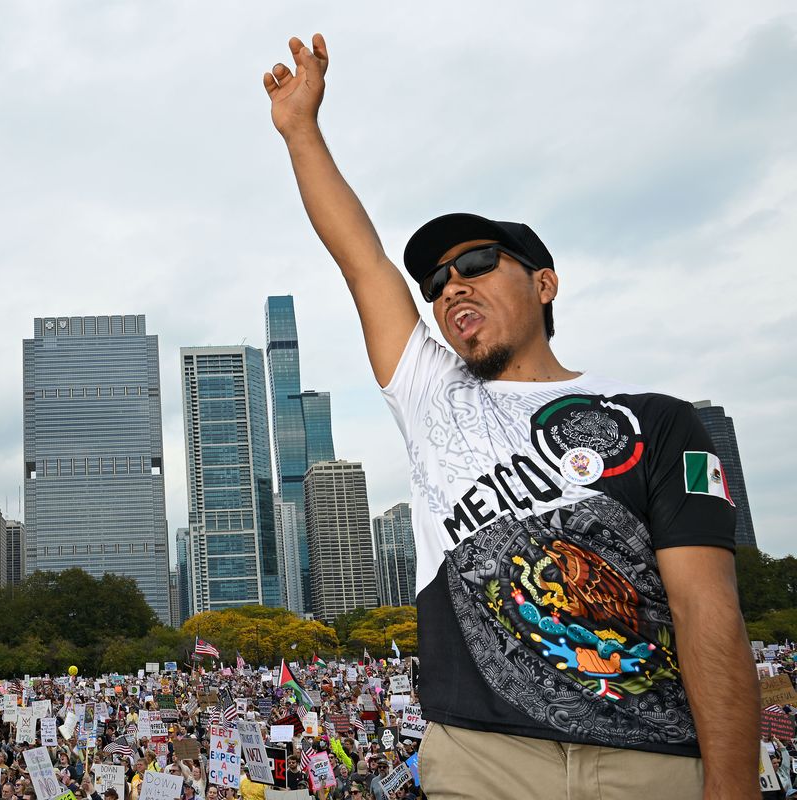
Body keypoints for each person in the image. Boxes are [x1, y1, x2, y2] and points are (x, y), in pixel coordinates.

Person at [263, 32, 759, 799]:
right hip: (482, 758)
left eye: (476, 264)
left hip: (650, 762)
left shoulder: (657, 422)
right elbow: (361, 258)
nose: (451, 286)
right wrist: (302, 131)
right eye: (436, 280)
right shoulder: (434, 397)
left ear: (545, 284)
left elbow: (706, 612)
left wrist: (733, 788)